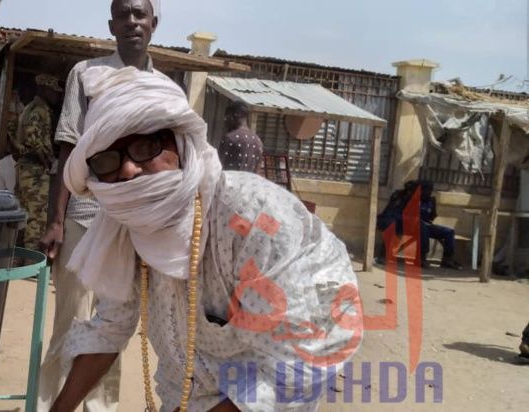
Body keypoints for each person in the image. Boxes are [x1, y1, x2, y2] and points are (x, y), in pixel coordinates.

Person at [49, 66, 360, 411]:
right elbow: (108, 328)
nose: (128, 171)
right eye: (109, 159)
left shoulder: (253, 216)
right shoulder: (122, 230)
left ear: (179, 144)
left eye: (144, 146)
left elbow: (293, 364)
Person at [38, 0, 162, 410]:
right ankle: (51, 403)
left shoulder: (164, 89)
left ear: (153, 24)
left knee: (113, 328)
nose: (132, 22)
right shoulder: (86, 75)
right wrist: (56, 219)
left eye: (139, 14)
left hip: (133, 227)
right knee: (71, 322)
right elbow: (68, 147)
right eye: (123, 15)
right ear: (112, 24)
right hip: (84, 219)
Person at [15, 74, 63, 250]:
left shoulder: (30, 108)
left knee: (25, 217)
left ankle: (19, 261)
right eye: (54, 92)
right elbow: (33, 138)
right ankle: (31, 264)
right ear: (44, 89)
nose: (57, 96)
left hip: (26, 168)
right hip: (34, 170)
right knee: (37, 219)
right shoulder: (39, 109)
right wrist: (47, 161)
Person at [218, 100, 263, 172]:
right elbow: (257, 170)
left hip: (229, 182)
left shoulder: (229, 138)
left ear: (235, 115)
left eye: (227, 116)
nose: (225, 120)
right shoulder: (258, 141)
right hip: (249, 183)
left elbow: (217, 166)